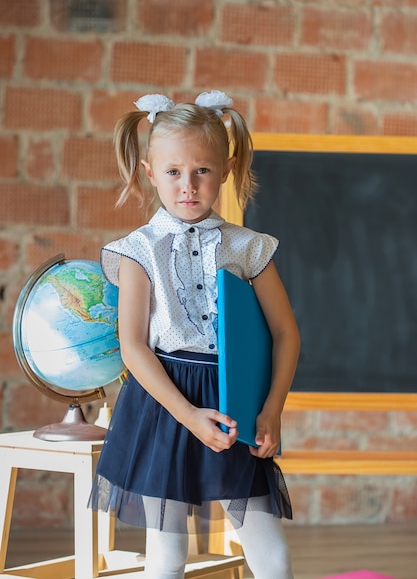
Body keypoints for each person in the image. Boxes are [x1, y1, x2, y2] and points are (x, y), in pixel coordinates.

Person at [89, 90, 300, 579]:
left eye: (202, 170)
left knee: (271, 552)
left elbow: (286, 333)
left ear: (225, 170)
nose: (188, 185)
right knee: (166, 554)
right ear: (149, 172)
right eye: (173, 172)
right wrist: (187, 415)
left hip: (234, 402)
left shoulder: (248, 248)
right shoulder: (137, 250)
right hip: (166, 405)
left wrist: (271, 410)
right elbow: (134, 347)